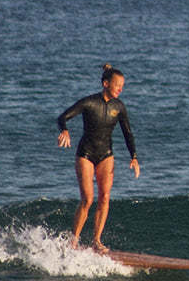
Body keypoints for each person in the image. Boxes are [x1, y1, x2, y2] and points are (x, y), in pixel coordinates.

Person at [56, 63, 140, 251]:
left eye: (122, 85)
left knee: (105, 197)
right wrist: (65, 131)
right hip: (85, 153)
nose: (121, 88)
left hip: (106, 155)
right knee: (87, 198)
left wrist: (133, 157)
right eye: (118, 84)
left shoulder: (119, 107)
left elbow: (128, 133)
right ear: (105, 83)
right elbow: (63, 117)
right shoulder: (89, 102)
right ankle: (74, 240)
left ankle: (97, 241)